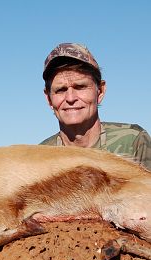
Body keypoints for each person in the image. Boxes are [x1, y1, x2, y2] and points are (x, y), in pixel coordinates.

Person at [40, 43, 151, 171]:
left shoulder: (133, 142)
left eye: (80, 87)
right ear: (48, 98)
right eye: (60, 90)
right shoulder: (39, 159)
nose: (70, 98)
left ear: (101, 91)